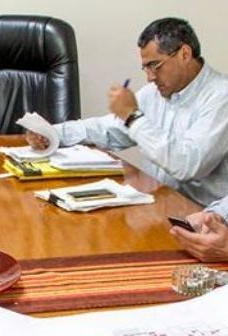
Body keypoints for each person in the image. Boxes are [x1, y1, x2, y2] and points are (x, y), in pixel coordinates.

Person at [26, 18, 228, 208]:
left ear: (185, 53)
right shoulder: (155, 92)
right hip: (156, 203)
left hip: (203, 220)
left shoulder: (221, 96)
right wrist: (54, 133)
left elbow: (186, 165)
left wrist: (133, 117)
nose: (149, 77)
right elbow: (109, 129)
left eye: (154, 65)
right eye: (145, 68)